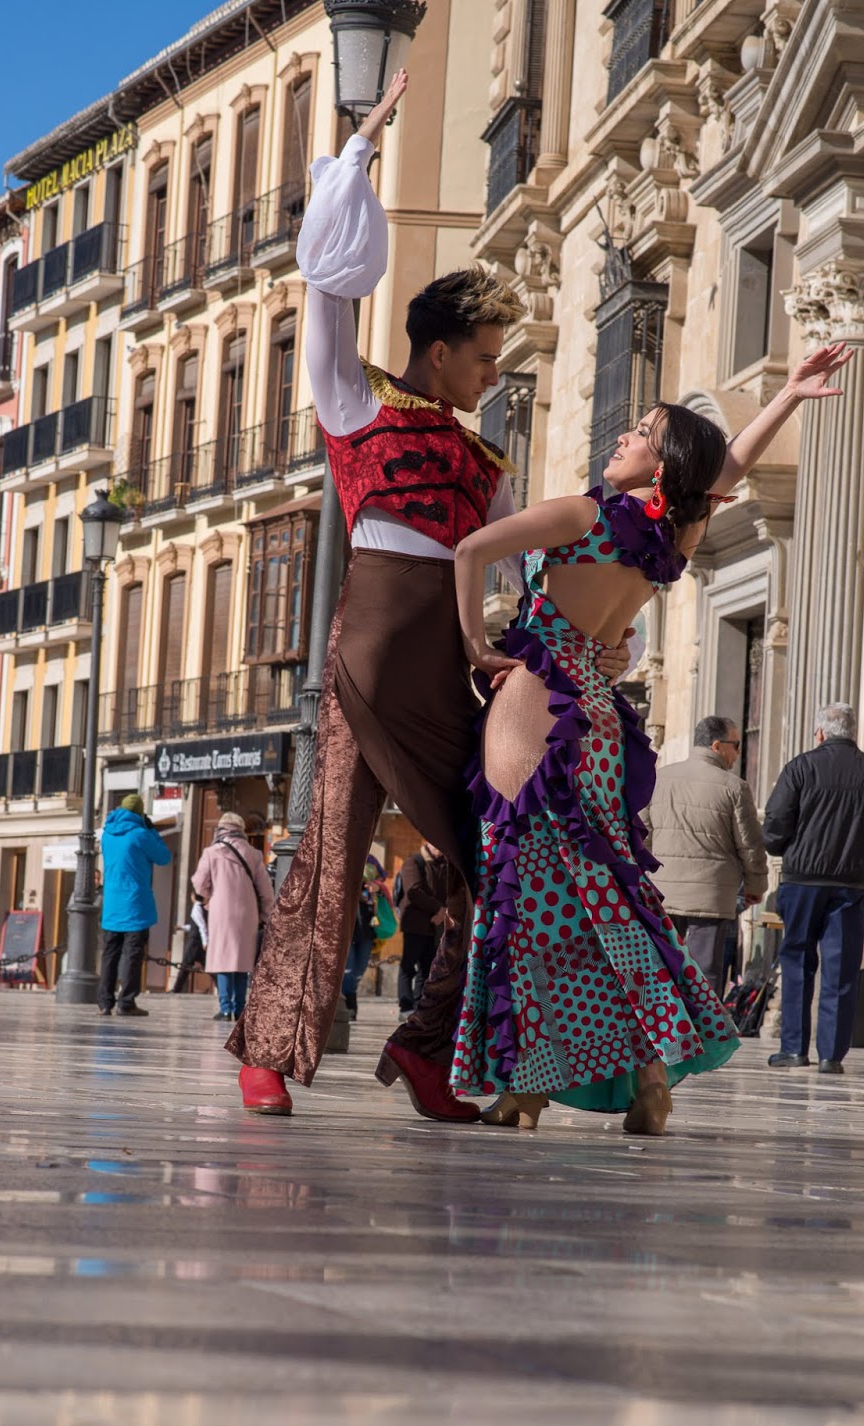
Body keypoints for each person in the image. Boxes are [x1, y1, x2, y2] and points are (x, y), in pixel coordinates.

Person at [227, 70, 632, 1119]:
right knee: (327, 855)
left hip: (444, 672)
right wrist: (356, 156)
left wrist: (586, 639)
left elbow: (517, 579)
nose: (494, 374)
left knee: (494, 860)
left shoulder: (487, 462)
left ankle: (427, 1051)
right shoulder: (358, 398)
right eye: (485, 357)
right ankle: (269, 1051)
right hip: (363, 663)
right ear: (439, 348)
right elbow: (324, 296)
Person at [450, 341, 854, 1135]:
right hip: (600, 711)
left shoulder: (586, 514)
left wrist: (475, 648)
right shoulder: (673, 539)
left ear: (660, 466)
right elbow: (723, 471)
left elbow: (469, 551)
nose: (624, 437)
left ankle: (528, 1088)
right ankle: (645, 1074)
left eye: (640, 432)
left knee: (527, 895)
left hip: (538, 703)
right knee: (607, 895)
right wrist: (790, 397)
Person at [763, 703, 864, 1074]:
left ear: (820, 733)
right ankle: (832, 1055)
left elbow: (775, 822)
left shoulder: (800, 767)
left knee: (797, 960)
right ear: (852, 734)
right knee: (842, 966)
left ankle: (794, 1049)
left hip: (802, 881)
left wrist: (781, 847)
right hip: (851, 883)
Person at [640, 715, 767, 998]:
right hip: (711, 898)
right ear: (717, 745)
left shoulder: (660, 778)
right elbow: (750, 845)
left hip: (663, 893)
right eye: (735, 745)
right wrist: (756, 886)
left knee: (662, 968)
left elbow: (641, 834)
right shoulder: (735, 788)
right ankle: (702, 1036)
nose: (738, 754)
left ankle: (665, 1033)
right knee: (704, 973)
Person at [193, 813, 274, 1025]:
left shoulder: (211, 852)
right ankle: (239, 1009)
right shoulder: (254, 854)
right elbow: (265, 889)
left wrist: (208, 896)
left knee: (222, 959)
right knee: (242, 960)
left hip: (221, 911)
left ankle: (224, 1008)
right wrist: (266, 915)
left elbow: (199, 883)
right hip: (247, 913)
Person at [98, 793, 171, 1017]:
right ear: (140, 813)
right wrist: (151, 830)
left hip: (111, 904)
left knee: (110, 953)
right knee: (132, 954)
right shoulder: (140, 834)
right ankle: (126, 1002)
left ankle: (104, 1002)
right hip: (135, 904)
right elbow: (164, 857)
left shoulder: (107, 835)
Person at [397, 844, 451, 1016]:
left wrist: (443, 912)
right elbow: (414, 890)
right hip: (415, 924)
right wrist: (439, 909)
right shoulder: (414, 861)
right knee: (408, 966)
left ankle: (419, 1006)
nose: (440, 848)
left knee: (427, 968)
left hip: (435, 926)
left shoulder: (446, 864)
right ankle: (405, 1006)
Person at [343, 856, 395, 1020]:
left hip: (367, 927)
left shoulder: (370, 859)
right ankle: (349, 1006)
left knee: (360, 970)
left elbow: (381, 877)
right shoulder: (343, 857)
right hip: (346, 927)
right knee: (348, 970)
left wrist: (376, 887)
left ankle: (348, 999)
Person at [172, 890, 208, 994]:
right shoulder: (202, 907)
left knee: (185, 965)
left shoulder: (196, 908)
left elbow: (202, 926)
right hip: (198, 940)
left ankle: (176, 989)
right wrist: (182, 928)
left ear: (193, 896)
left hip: (194, 941)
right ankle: (222, 987)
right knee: (207, 966)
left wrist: (205, 942)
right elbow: (194, 926)